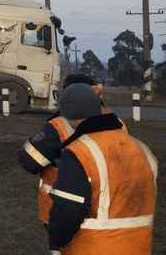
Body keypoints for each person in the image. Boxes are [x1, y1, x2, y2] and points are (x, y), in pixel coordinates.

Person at [46, 83, 156, 255]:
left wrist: (56, 240)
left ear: (68, 113)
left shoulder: (80, 152)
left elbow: (66, 213)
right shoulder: (140, 149)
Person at [19, 73, 123, 225]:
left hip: (66, 209)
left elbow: (29, 161)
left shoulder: (60, 125)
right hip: (112, 209)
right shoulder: (118, 122)